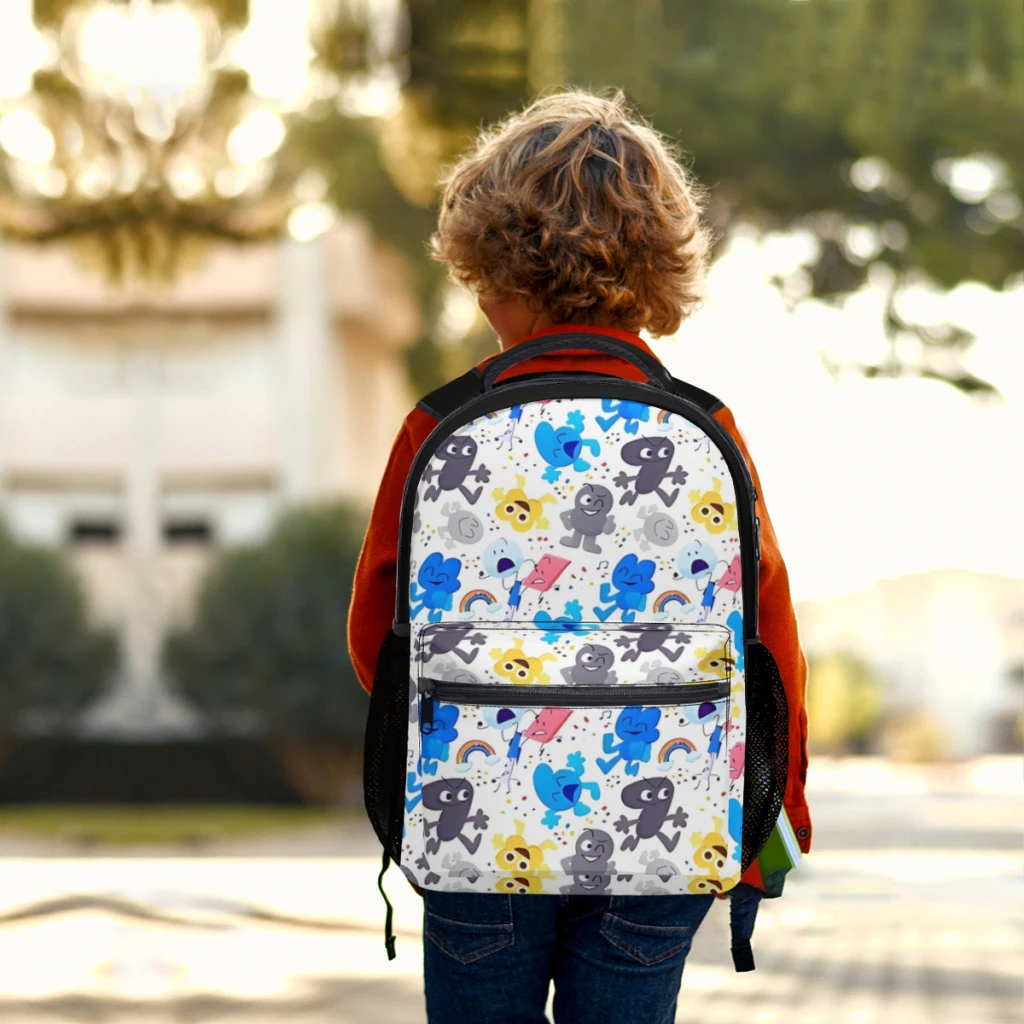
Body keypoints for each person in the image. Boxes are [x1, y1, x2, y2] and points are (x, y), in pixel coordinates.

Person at [349, 89, 810, 1024]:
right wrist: (778, 810)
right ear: (659, 269)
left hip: (477, 825)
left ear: (495, 269)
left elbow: (375, 637)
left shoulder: (438, 427)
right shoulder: (707, 429)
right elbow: (768, 638)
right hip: (665, 837)